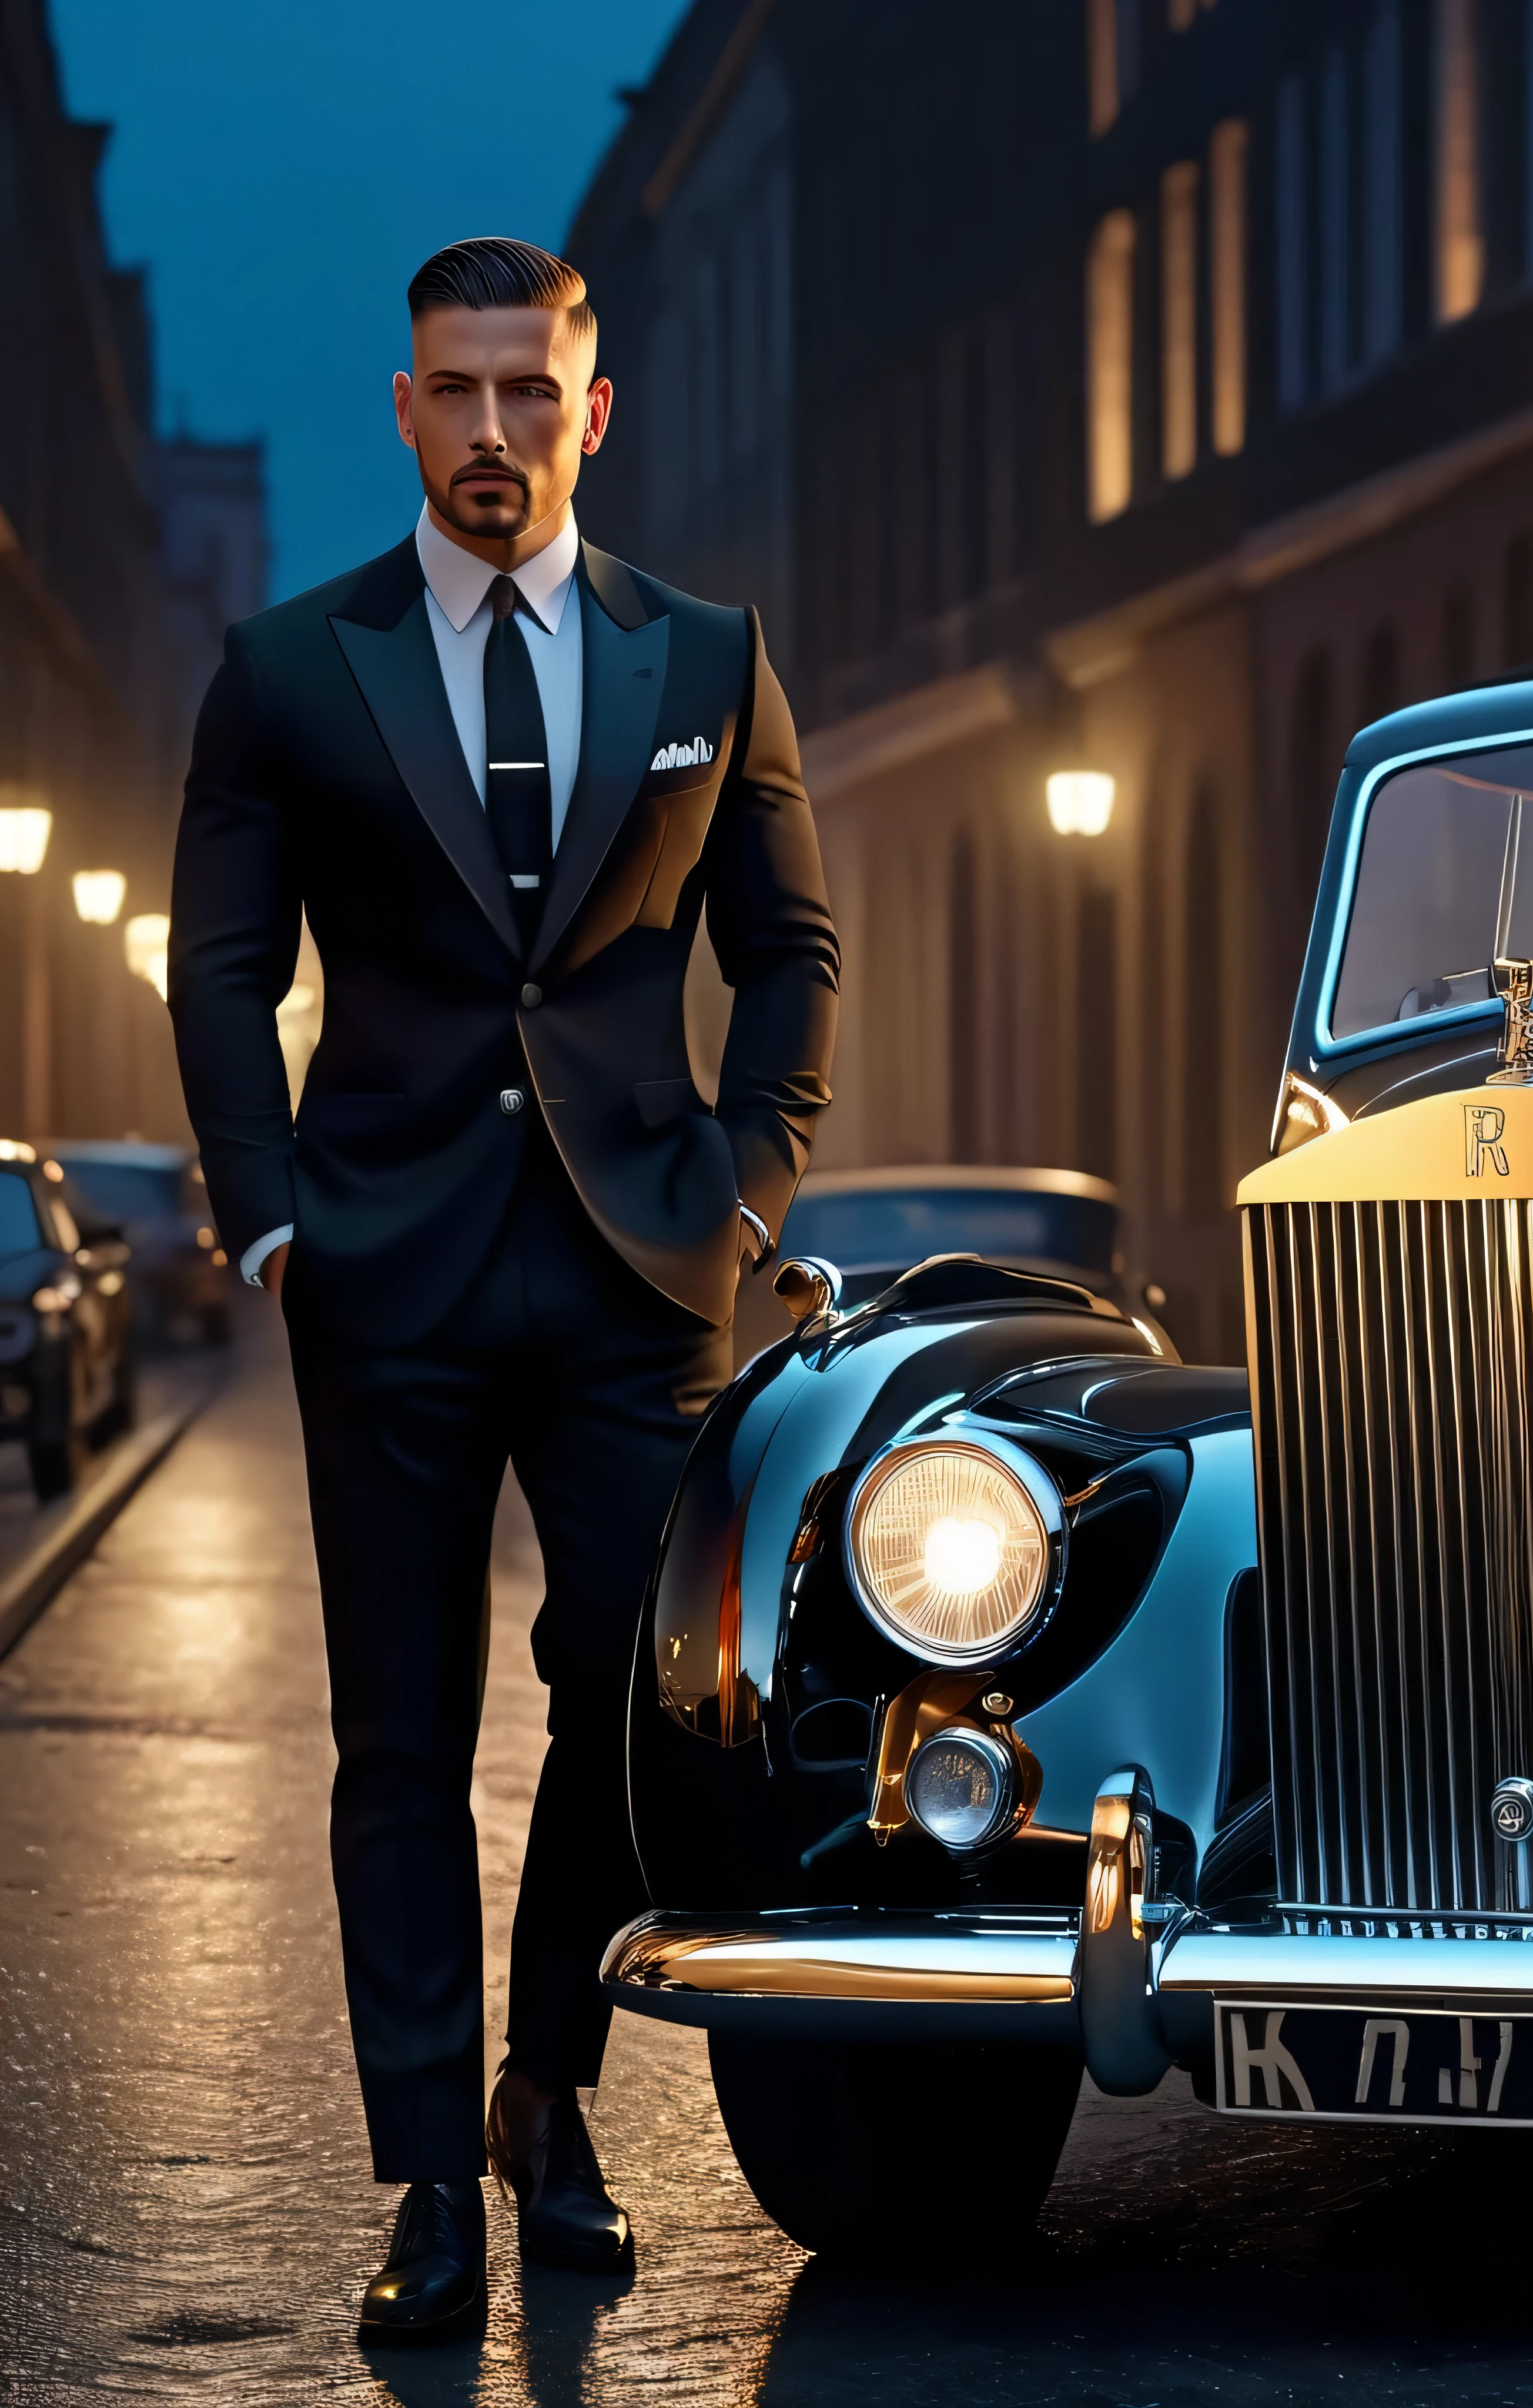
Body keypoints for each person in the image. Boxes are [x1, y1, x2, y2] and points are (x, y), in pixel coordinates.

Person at [168, 236, 839, 2342]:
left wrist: (747, 1184)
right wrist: (268, 1213)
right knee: (398, 1738)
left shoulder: (707, 658)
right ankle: (425, 2185)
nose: (490, 433)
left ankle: (547, 2095)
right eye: (454, 394)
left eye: (527, 395)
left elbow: (792, 945)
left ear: (591, 408)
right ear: (403, 408)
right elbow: (217, 962)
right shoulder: (291, 670)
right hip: (383, 1280)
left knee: (624, 1714)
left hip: (642, 1279)